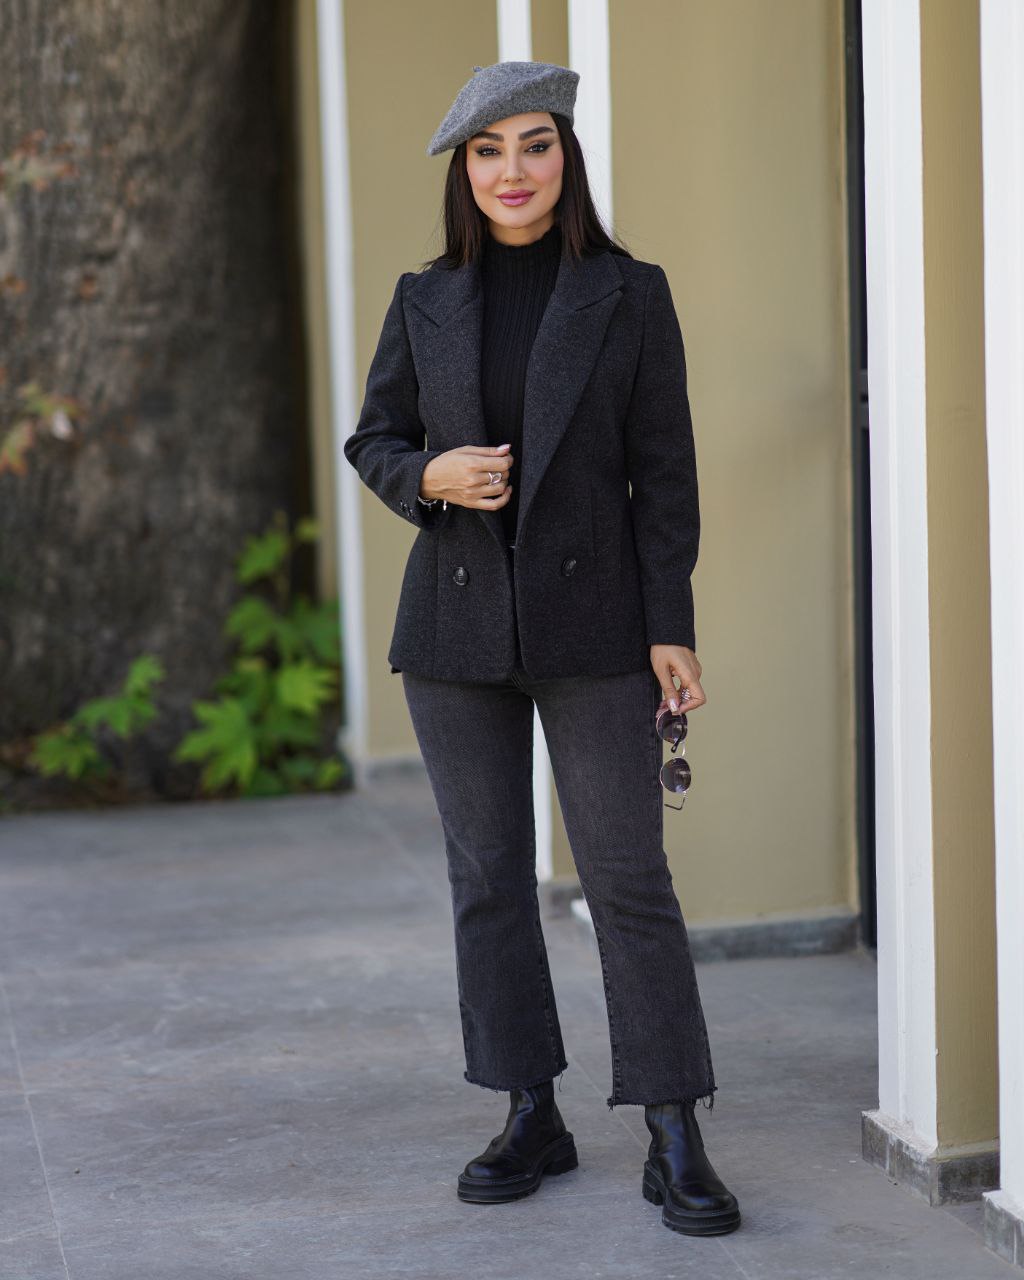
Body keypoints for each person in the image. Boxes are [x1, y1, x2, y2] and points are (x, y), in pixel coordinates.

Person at [343, 60, 740, 1237]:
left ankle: (673, 1126)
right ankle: (529, 1108)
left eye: (534, 144)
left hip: (598, 624)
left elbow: (665, 475)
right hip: (454, 626)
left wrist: (670, 625)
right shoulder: (424, 296)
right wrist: (430, 476)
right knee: (488, 877)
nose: (511, 171)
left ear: (566, 157)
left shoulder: (628, 293)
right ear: (464, 171)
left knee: (627, 878)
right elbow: (375, 438)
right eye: (488, 150)